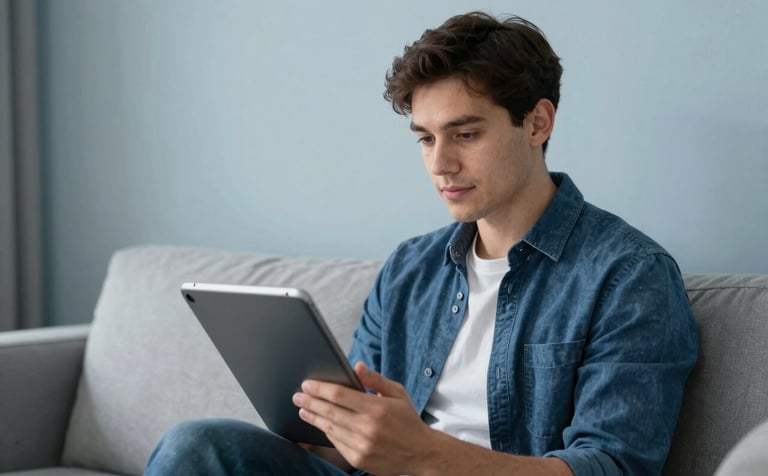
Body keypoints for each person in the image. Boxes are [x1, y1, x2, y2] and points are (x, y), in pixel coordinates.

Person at [144, 11, 698, 476]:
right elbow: (347, 450)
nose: (440, 164)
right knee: (197, 448)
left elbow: (611, 466)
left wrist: (422, 454)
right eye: (426, 139)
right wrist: (326, 422)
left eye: (465, 134)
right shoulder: (411, 266)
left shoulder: (629, 275)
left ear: (537, 123)